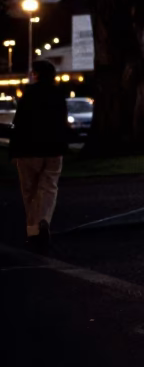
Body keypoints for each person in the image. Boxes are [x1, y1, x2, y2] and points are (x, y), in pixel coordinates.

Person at [9, 60, 67, 252]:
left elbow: (19, 123)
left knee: (30, 191)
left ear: (36, 74)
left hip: (28, 149)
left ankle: (33, 232)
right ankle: (43, 221)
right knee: (49, 187)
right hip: (53, 149)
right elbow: (62, 122)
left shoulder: (29, 94)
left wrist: (13, 150)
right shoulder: (58, 94)